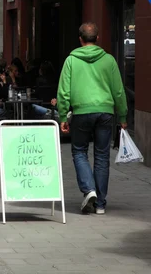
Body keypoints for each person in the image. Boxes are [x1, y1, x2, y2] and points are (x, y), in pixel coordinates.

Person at [57, 22, 127, 215]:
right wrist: (122, 115)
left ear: (80, 39)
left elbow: (63, 91)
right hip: (105, 112)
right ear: (97, 39)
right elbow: (118, 91)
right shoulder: (109, 60)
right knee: (102, 156)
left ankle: (89, 190)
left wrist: (63, 115)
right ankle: (101, 204)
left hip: (81, 112)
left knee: (79, 151)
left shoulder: (71, 60)